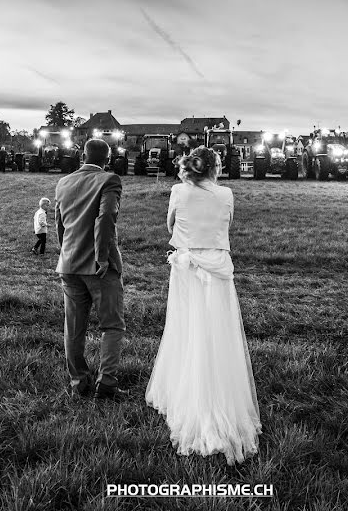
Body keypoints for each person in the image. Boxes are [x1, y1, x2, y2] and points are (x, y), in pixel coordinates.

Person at [145, 146, 261, 466]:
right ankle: (219, 397)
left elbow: (171, 227)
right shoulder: (226, 194)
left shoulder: (178, 191)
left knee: (186, 327)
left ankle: (190, 396)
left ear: (190, 167)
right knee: (216, 330)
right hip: (218, 268)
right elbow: (226, 226)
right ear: (215, 167)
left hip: (186, 268)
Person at [55, 139, 126, 400]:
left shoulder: (63, 182)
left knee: (73, 328)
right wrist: (102, 257)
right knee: (112, 326)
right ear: (108, 158)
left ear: (82, 155)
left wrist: (67, 253)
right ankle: (106, 384)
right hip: (98, 267)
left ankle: (79, 383)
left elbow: (59, 223)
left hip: (69, 264)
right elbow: (106, 217)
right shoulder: (109, 180)